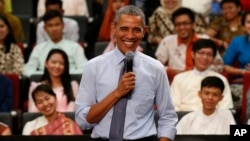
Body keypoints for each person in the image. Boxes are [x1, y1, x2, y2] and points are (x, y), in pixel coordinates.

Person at [75, 5, 178, 141]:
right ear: (114, 29)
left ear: (144, 32)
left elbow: (168, 117)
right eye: (124, 29)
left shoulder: (156, 69)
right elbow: (83, 120)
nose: (130, 35)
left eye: (136, 30)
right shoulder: (93, 66)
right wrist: (117, 92)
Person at [155, 7, 223, 77]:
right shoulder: (168, 41)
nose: (182, 27)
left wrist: (200, 71)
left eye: (185, 23)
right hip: (176, 81)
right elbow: (157, 66)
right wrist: (172, 71)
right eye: (178, 24)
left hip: (204, 81)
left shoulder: (205, 40)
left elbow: (219, 66)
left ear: (193, 24)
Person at [171, 39, 233, 111]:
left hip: (212, 119)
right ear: (193, 54)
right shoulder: (179, 79)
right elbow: (173, 106)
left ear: (213, 58)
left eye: (209, 54)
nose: (205, 57)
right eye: (201, 53)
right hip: (184, 118)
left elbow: (226, 107)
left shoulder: (221, 79)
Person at [22, 10, 88, 77]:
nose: (54, 29)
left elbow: (85, 69)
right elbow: (28, 70)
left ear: (63, 25)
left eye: (57, 25)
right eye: (50, 26)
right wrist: (48, 75)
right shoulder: (39, 48)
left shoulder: (75, 47)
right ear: (45, 28)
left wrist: (63, 74)